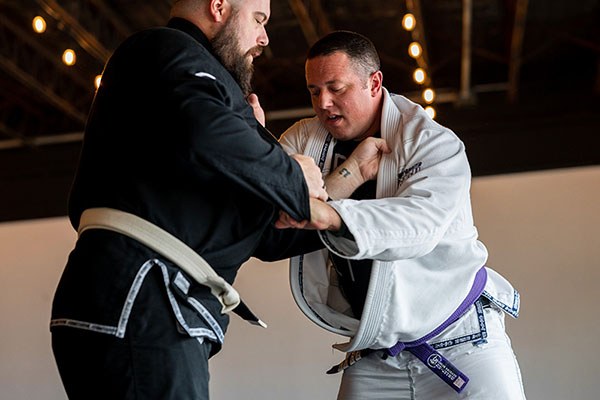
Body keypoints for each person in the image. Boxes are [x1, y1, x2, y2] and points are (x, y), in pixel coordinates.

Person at [49, 1, 329, 399]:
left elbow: (265, 236)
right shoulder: (166, 49)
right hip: (142, 296)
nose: (264, 38)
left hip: (135, 300)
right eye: (259, 19)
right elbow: (207, 129)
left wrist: (353, 215)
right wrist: (290, 174)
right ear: (219, 7)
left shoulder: (177, 93)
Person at [276, 31, 526, 399]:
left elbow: (418, 225)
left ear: (374, 82)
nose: (323, 102)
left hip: (461, 340)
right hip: (376, 351)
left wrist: (330, 215)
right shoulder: (304, 141)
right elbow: (272, 215)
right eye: (314, 91)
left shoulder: (432, 142)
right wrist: (348, 176)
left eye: (336, 88)